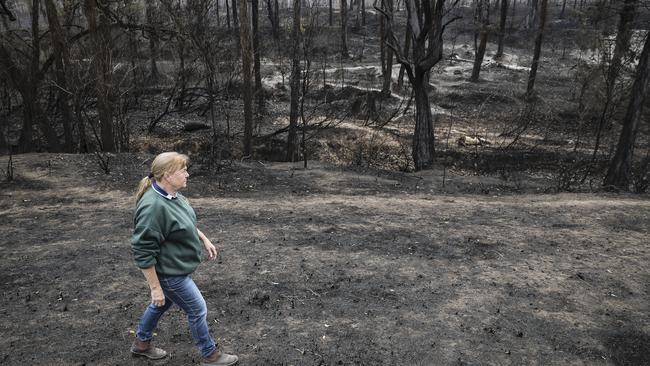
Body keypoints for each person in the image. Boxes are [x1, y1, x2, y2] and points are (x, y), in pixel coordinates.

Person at [130, 152, 238, 366]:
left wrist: (204, 239)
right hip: (170, 273)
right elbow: (142, 250)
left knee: (160, 306)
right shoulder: (153, 207)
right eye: (183, 170)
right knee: (197, 309)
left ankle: (141, 344)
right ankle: (210, 354)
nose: (187, 174)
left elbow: (183, 222)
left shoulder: (173, 195)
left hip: (176, 268)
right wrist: (155, 287)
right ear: (168, 175)